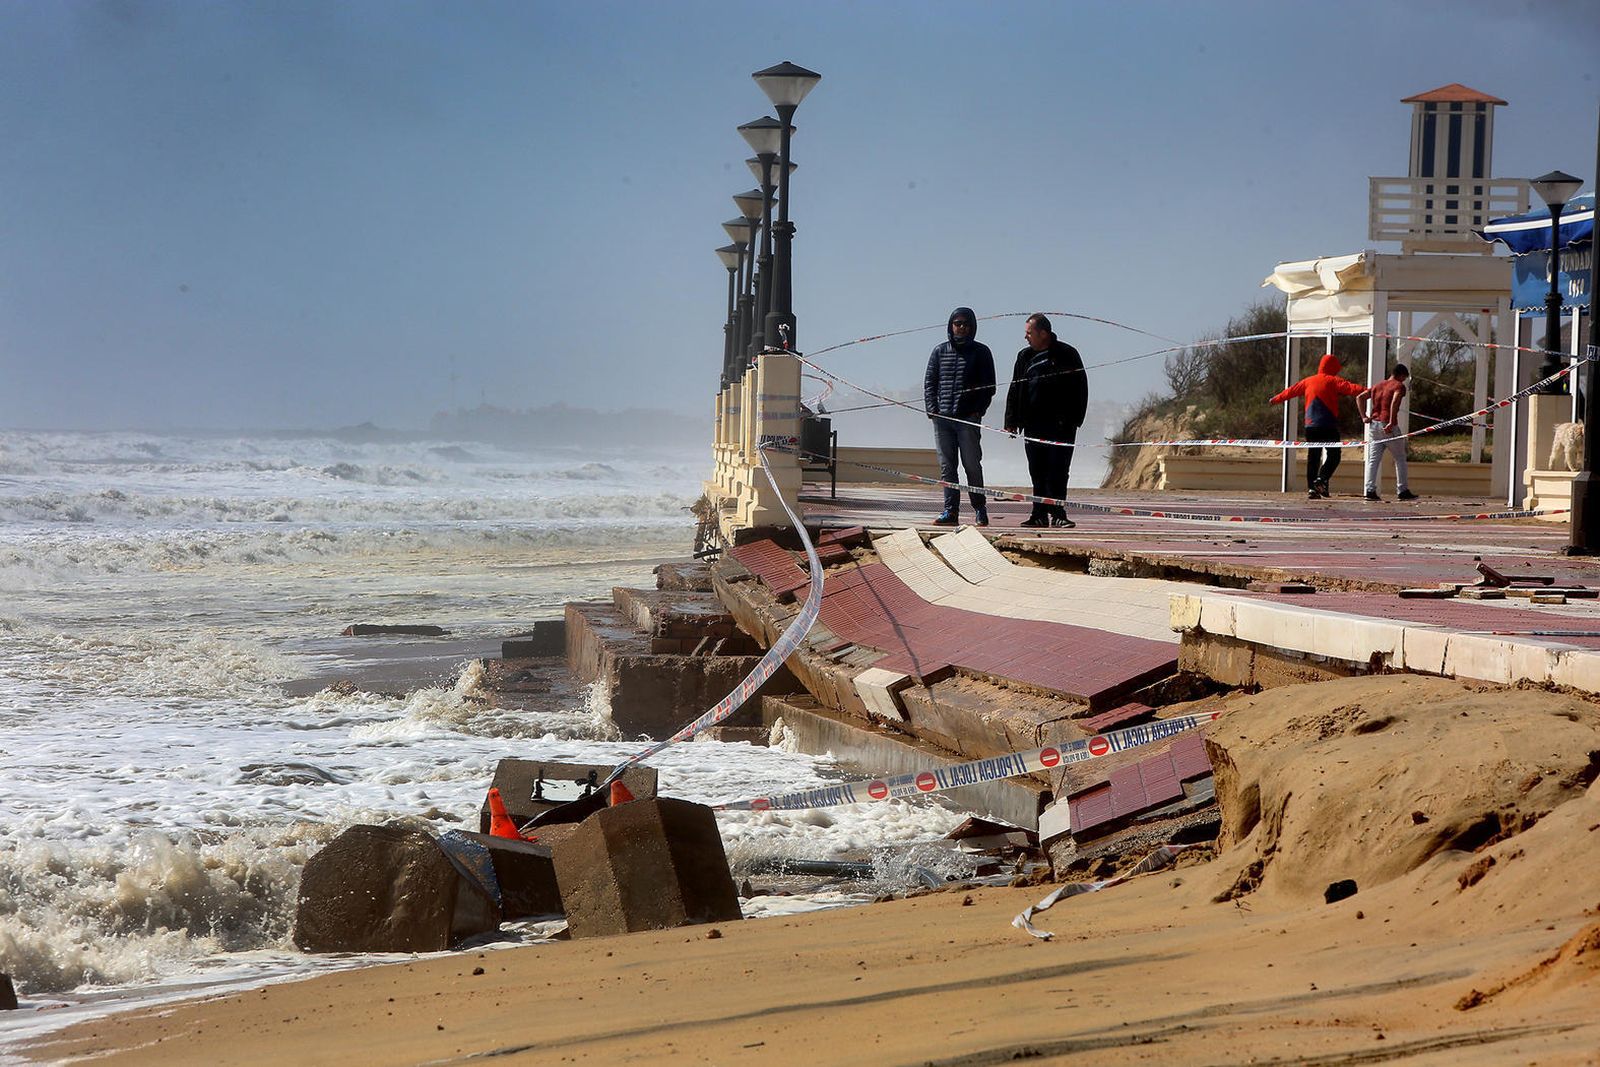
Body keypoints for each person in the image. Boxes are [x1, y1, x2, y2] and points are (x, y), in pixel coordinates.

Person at [1004, 313, 1087, 528]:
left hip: (1062, 426)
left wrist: (1074, 420)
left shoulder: (1067, 354)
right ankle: (1038, 514)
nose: (1026, 338)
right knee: (1037, 470)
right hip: (1032, 424)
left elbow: (1081, 388)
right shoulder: (1024, 357)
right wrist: (1011, 420)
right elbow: (1015, 388)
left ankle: (1058, 514)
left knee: (1058, 471)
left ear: (1044, 333)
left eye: (1029, 333)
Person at [923, 307, 995, 526]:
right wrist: (932, 409)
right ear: (950, 325)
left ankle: (980, 509)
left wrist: (978, 411)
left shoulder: (982, 352)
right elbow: (930, 382)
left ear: (972, 327)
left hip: (968, 420)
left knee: (971, 464)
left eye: (966, 324)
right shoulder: (938, 351)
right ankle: (950, 511)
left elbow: (989, 386)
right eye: (957, 323)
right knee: (947, 467)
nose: (961, 327)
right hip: (942, 420)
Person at [1270, 353, 1365, 499]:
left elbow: (1291, 391)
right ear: (1332, 367)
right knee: (1334, 455)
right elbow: (1351, 388)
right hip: (1328, 425)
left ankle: (1312, 489)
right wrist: (1371, 391)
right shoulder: (1333, 380)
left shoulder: (1308, 381)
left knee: (1313, 456)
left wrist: (1275, 399)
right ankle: (1322, 479)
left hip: (1310, 426)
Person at [1358, 364, 1417, 501]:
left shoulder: (1378, 386)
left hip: (1374, 425)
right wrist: (1391, 421)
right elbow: (1395, 401)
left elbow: (1359, 397)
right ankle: (1402, 490)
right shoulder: (1399, 386)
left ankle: (1370, 490)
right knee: (1400, 458)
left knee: (1373, 460)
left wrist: (1364, 416)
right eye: (1404, 378)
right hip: (1388, 426)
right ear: (1401, 375)